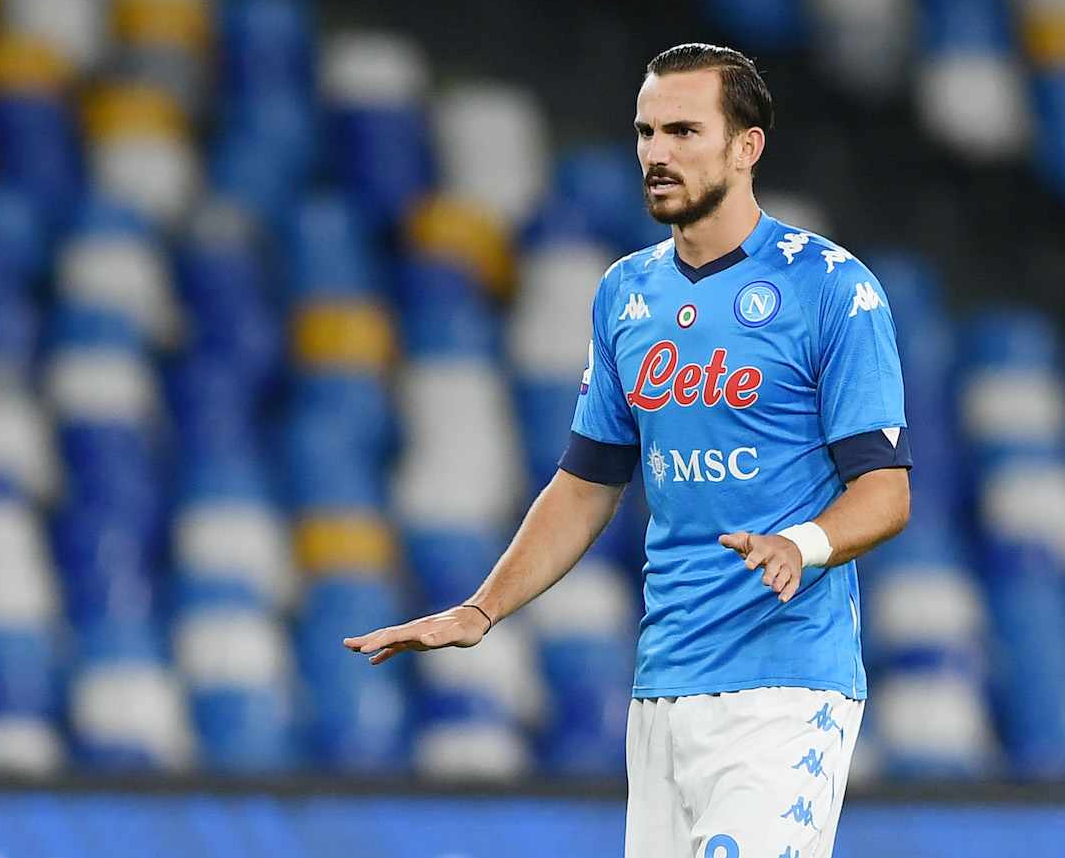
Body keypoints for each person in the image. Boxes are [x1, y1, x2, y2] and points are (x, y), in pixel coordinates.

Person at [343, 42, 911, 858]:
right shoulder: (625, 294)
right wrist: (481, 608)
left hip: (785, 684)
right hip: (663, 688)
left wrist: (802, 542)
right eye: (646, 133)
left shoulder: (833, 288)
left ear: (747, 147)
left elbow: (885, 492)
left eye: (683, 130)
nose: (656, 153)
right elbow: (585, 484)